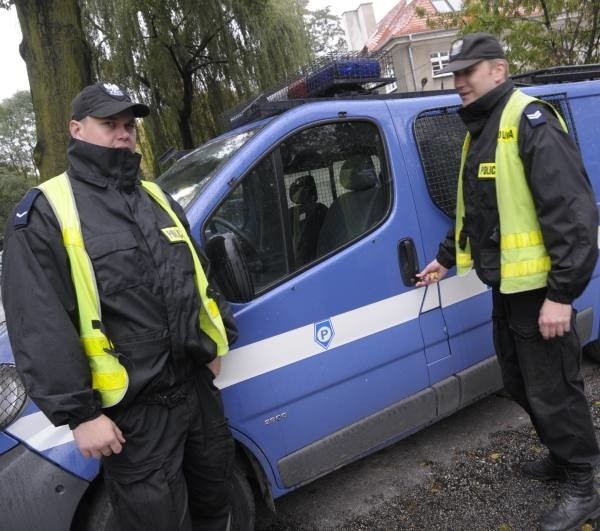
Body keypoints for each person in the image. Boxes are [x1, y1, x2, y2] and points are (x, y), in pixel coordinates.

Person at [2, 82, 238, 531]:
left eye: (128, 125)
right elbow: (38, 324)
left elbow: (197, 273)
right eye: (109, 124)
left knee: (218, 506)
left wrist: (217, 341)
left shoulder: (155, 197)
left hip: (196, 394)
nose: (123, 134)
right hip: (134, 419)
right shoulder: (47, 211)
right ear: (76, 128)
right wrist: (82, 416)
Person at [416, 33, 600, 530]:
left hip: (542, 292)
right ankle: (563, 458)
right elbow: (473, 211)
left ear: (498, 70)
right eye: (453, 75)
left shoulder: (529, 119)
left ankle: (584, 485)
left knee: (554, 389)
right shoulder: (479, 131)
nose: (457, 83)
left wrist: (561, 295)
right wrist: (445, 258)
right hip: (508, 289)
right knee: (521, 384)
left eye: (467, 72)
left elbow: (574, 215)